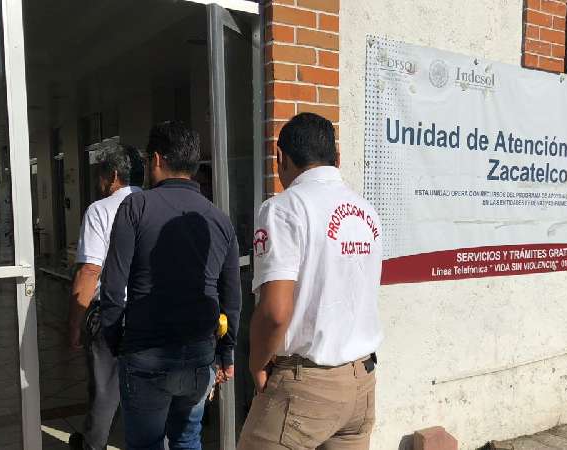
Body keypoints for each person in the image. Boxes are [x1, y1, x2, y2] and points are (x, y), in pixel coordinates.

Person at [238, 113, 384, 450]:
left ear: (281, 159)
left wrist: (256, 362)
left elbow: (275, 311)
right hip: (361, 383)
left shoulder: (283, 208)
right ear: (337, 158)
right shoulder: (366, 211)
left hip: (305, 387)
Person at [100, 121, 241, 450]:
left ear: (158, 159)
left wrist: (115, 339)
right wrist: (226, 352)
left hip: (145, 354)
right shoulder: (220, 219)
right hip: (198, 356)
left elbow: (112, 286)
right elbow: (231, 298)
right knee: (188, 438)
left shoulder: (136, 207)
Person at [67, 143, 145, 450]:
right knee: (146, 391)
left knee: (104, 392)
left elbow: (89, 270)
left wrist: (74, 322)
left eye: (100, 174)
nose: (99, 182)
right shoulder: (153, 203)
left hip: (111, 313)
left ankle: (93, 445)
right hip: (148, 313)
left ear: (112, 175)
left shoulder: (100, 210)